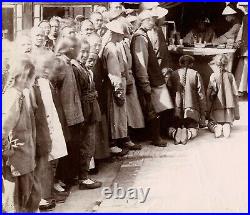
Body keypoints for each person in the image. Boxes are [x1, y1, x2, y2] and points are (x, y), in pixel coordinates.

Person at [2, 56, 41, 212]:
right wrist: (7, 151)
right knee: (17, 204)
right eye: (30, 76)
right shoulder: (13, 97)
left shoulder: (20, 95)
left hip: (25, 159)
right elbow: (3, 128)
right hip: (17, 162)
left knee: (29, 199)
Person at [131, 10, 174, 147]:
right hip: (149, 79)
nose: (152, 21)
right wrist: (145, 83)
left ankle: (157, 135)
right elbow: (141, 63)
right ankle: (155, 138)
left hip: (153, 77)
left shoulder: (144, 35)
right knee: (152, 109)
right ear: (142, 21)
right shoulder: (140, 38)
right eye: (149, 19)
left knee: (156, 108)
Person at [71, 39, 102, 189]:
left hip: (90, 110)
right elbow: (77, 93)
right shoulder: (75, 69)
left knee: (89, 144)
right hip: (84, 111)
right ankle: (83, 178)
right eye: (81, 51)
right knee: (86, 144)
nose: (84, 55)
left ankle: (84, 175)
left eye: (86, 51)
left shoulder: (83, 68)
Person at [54, 38, 84, 188]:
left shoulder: (68, 63)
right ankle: (63, 179)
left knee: (73, 146)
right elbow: (54, 87)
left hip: (73, 112)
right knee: (67, 147)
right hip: (66, 114)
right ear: (69, 49)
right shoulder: (60, 63)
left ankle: (70, 178)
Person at [101, 20, 130, 155]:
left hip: (117, 82)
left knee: (117, 114)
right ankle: (113, 144)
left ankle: (117, 141)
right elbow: (114, 73)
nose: (122, 36)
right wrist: (118, 91)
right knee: (114, 113)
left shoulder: (114, 46)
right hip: (114, 84)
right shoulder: (111, 48)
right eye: (120, 34)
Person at [168, 55, 207, 144]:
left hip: (176, 112)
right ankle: (188, 133)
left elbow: (169, 93)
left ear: (179, 63)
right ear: (192, 64)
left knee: (172, 127)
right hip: (191, 112)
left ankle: (175, 133)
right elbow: (201, 96)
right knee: (194, 128)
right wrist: (203, 115)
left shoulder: (173, 74)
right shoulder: (196, 74)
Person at [207, 54, 240, 138]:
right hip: (228, 109)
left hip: (216, 108)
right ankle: (227, 125)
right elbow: (235, 93)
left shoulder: (213, 76)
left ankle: (216, 127)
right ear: (226, 64)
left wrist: (207, 108)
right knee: (228, 121)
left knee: (211, 123)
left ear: (215, 63)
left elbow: (209, 93)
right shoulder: (230, 75)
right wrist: (236, 110)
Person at [234, 8, 248, 97]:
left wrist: (238, 41)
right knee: (244, 66)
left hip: (246, 45)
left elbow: (241, 31)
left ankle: (242, 89)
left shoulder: (245, 17)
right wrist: (238, 41)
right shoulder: (245, 17)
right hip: (246, 45)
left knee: (244, 67)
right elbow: (242, 31)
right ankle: (241, 89)